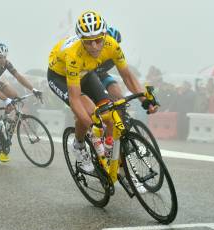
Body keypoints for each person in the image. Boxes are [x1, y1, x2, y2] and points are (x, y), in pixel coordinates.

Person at [47, 11, 158, 173]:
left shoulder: (112, 45)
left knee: (110, 115)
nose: (94, 46)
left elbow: (127, 76)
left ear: (104, 35)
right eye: (88, 42)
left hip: (86, 73)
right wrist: (92, 127)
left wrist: (145, 100)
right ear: (81, 40)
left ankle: (106, 154)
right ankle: (78, 145)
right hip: (60, 77)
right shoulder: (73, 55)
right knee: (90, 113)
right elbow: (75, 99)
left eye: (98, 40)